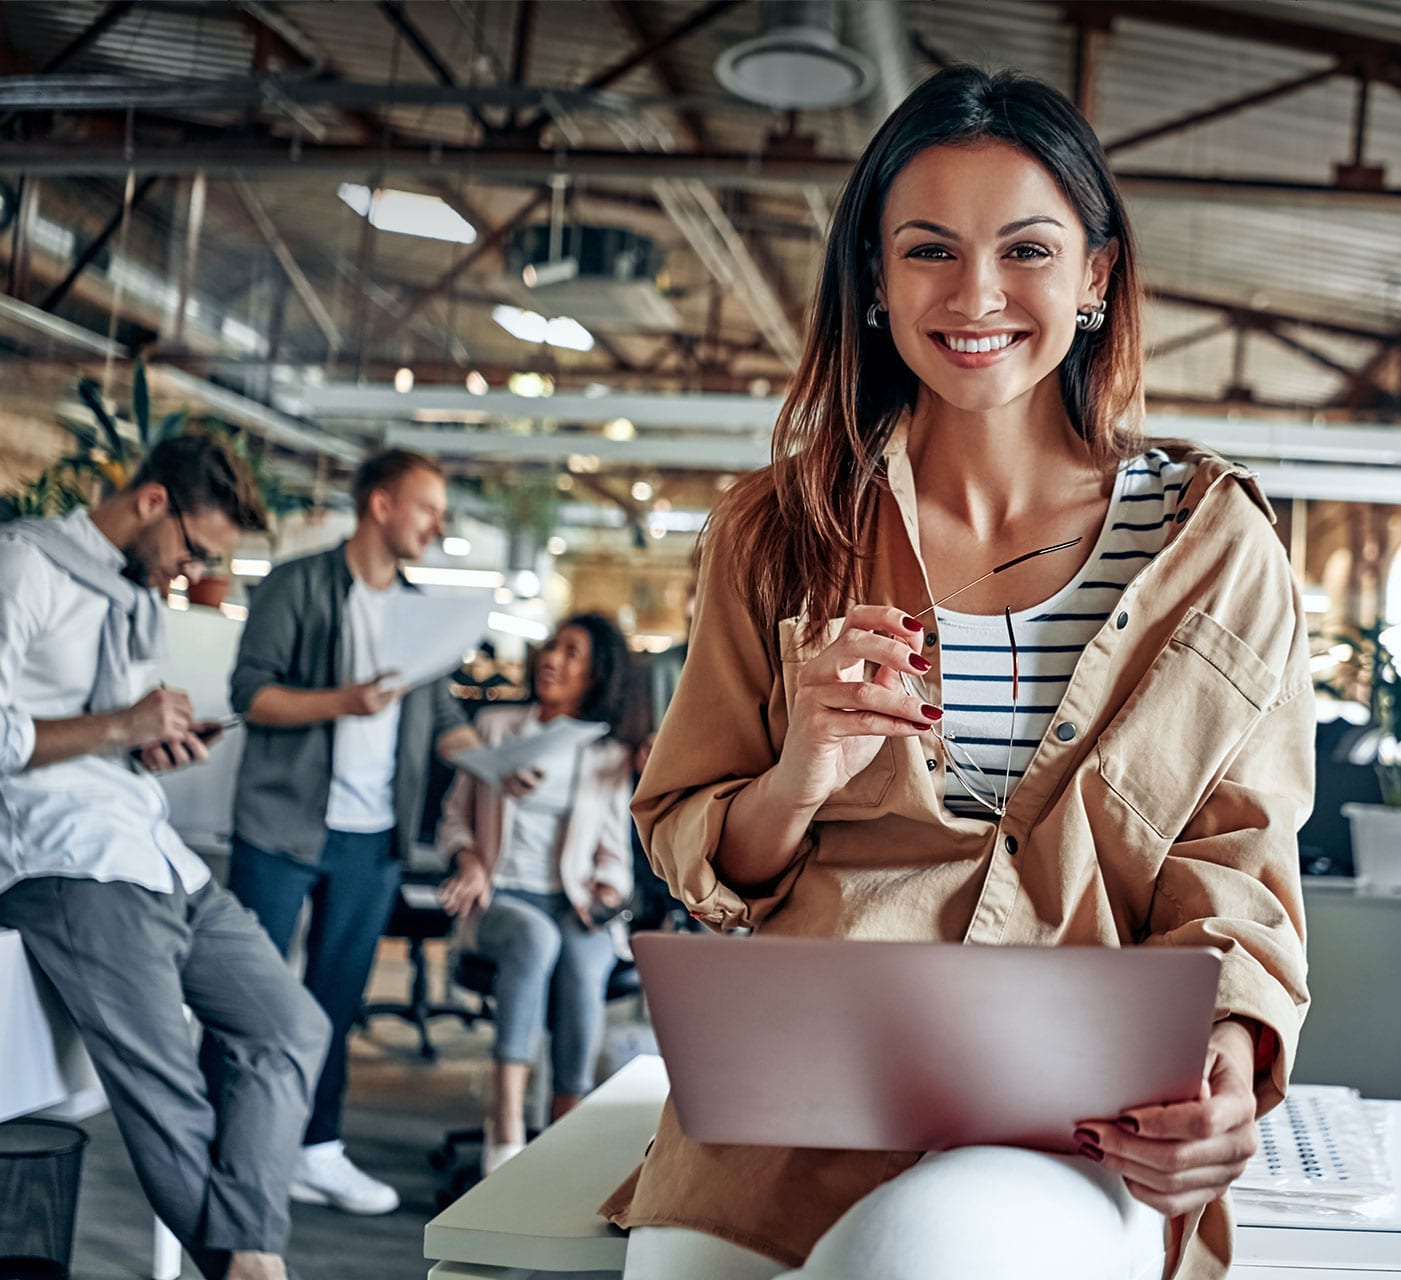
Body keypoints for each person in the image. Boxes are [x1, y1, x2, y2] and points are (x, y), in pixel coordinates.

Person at [604, 67, 1314, 1280]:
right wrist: (797, 773)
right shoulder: (779, 531)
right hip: (791, 1109)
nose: (976, 294)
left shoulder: (1214, 548)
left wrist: (1236, 1059)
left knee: (919, 1256)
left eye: (1026, 249)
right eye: (928, 250)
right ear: (875, 282)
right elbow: (695, 843)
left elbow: (1240, 869)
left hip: (1083, 1115)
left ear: (1095, 275)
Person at [0, 436, 329, 1280]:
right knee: (170, 1093)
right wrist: (121, 728)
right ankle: (252, 1269)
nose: (193, 570)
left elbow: (117, 732)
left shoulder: (138, 597)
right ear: (153, 504)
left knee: (290, 1026)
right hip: (69, 864)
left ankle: (247, 1251)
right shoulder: (25, 564)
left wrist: (153, 745)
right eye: (197, 550)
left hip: (157, 855)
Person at [222, 448, 491, 1215]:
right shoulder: (296, 584)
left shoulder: (421, 611)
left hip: (372, 837)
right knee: (248, 991)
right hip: (282, 823)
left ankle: (317, 1148)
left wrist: (501, 764)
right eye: (428, 507)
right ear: (380, 504)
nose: (438, 525)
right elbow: (252, 694)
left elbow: (439, 717)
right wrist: (344, 700)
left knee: (334, 1000)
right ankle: (229, 1140)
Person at [436, 612, 637, 1174]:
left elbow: (615, 859)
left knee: (583, 954)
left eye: (572, 654)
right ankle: (504, 1121)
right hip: (500, 899)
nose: (552, 659)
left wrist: (605, 889)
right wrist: (470, 859)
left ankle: (565, 1122)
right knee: (534, 936)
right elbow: (453, 819)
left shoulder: (606, 754)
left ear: (594, 676)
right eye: (552, 646)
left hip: (571, 903)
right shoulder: (495, 727)